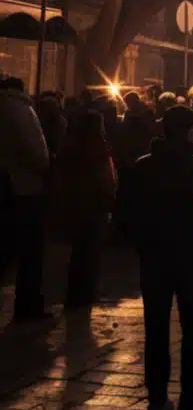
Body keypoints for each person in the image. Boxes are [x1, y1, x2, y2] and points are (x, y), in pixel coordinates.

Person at [122, 106, 193, 410]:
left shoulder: (143, 168)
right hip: (191, 259)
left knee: (156, 328)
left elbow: (128, 212)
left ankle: (157, 397)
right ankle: (190, 399)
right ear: (188, 131)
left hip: (155, 258)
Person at [54, 110, 117, 309]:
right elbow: (106, 180)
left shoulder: (68, 148)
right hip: (94, 205)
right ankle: (86, 293)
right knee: (90, 252)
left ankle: (74, 294)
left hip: (74, 204)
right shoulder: (99, 149)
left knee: (78, 252)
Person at [0, 77, 51, 322]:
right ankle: (28, 305)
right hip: (26, 187)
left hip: (9, 185)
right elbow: (35, 150)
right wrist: (46, 170)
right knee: (30, 251)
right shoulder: (20, 110)